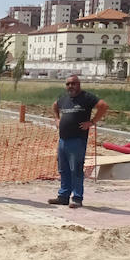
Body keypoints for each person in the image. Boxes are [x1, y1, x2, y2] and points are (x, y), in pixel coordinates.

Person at [50, 75, 108, 208]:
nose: (71, 86)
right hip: (63, 140)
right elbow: (54, 106)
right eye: (68, 84)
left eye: (74, 83)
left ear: (79, 84)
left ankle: (77, 197)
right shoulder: (64, 98)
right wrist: (57, 119)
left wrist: (92, 122)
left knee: (75, 169)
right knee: (63, 169)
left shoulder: (86, 98)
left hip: (77, 140)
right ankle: (63, 196)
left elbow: (103, 106)